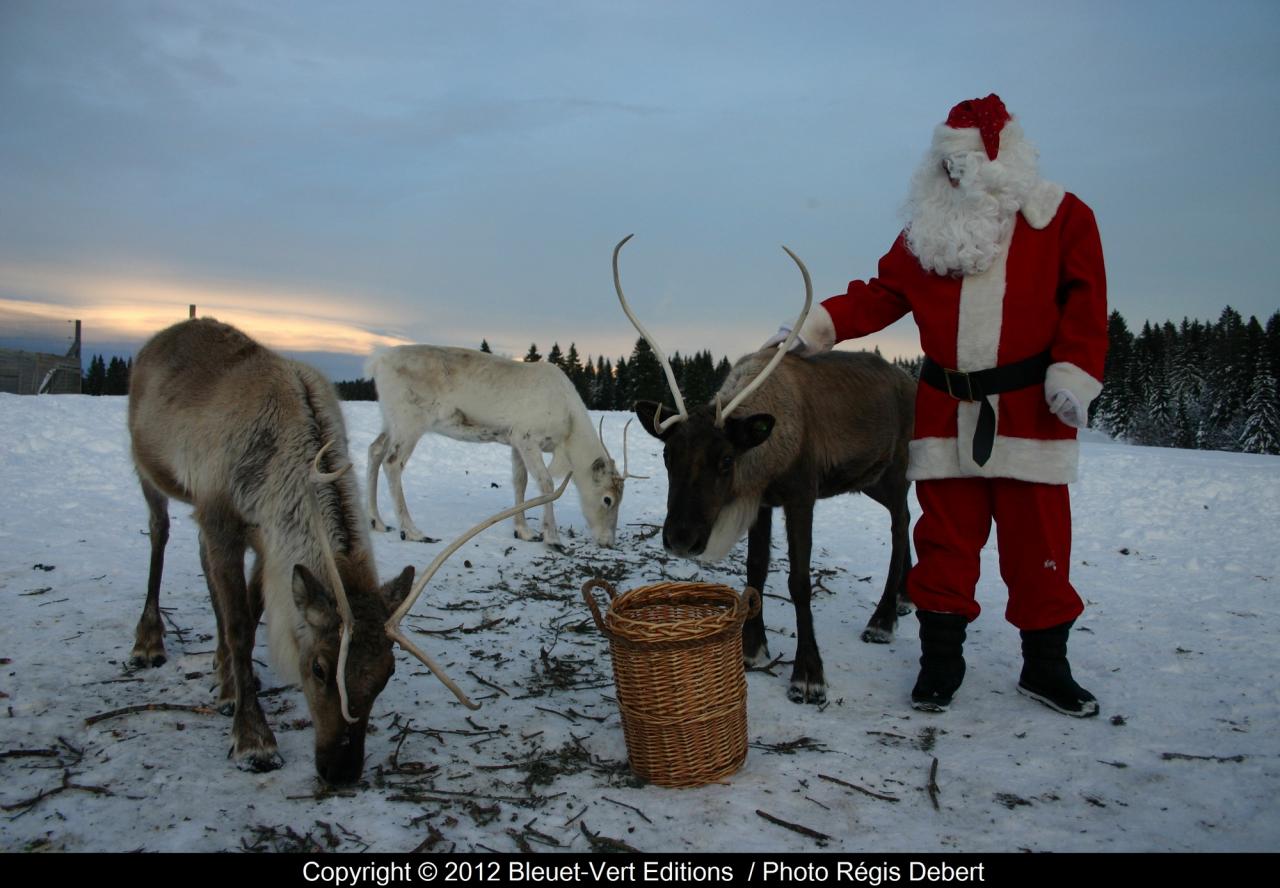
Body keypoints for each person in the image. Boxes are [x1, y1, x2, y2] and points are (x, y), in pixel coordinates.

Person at [769, 94, 1107, 717]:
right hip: (945, 412)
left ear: (999, 160)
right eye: (944, 163)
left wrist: (1076, 374)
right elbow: (877, 296)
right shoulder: (926, 233)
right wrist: (809, 330)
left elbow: (1086, 304)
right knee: (945, 544)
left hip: (1030, 411)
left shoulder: (1061, 219)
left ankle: (1046, 667)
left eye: (964, 163)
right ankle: (940, 665)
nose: (952, 175)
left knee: (1039, 545)